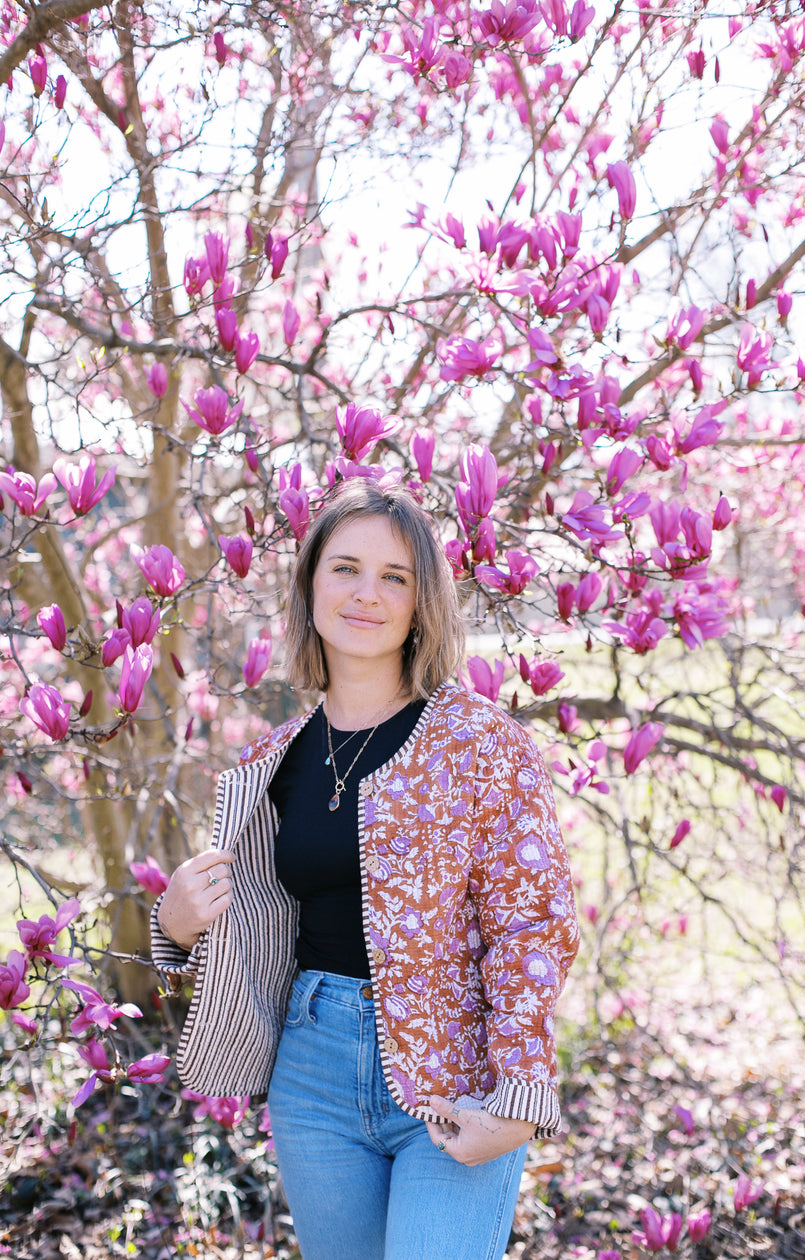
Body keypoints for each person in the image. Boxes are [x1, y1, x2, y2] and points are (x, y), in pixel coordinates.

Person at [151, 476, 580, 1260]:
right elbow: (252, 939)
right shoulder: (266, 764)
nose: (366, 594)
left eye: (395, 577)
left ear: (423, 603)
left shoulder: (480, 743)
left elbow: (532, 927)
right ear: (311, 584)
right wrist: (174, 929)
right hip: (311, 1075)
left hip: (456, 1072)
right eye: (345, 568)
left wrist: (520, 1093)